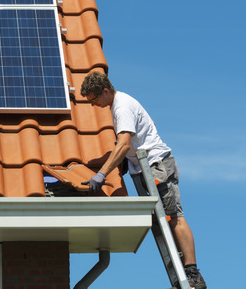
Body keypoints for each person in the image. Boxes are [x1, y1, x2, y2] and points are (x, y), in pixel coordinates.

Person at [79, 71, 207, 289]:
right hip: (148, 168)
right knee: (163, 221)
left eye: (94, 99)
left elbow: (124, 144)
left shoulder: (121, 106)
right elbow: (148, 126)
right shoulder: (120, 104)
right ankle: (181, 276)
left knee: (174, 218)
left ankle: (193, 274)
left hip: (158, 166)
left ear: (105, 91)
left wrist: (102, 174)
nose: (94, 105)